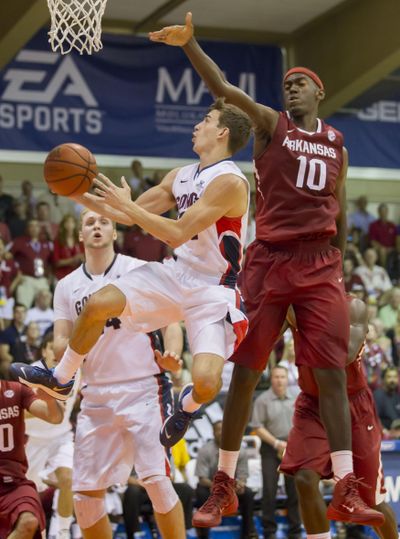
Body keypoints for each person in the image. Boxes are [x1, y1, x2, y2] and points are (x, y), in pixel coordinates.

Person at [148, 12, 384, 527]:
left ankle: (347, 487)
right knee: (247, 371)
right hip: (271, 260)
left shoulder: (337, 143)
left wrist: (339, 269)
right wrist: (191, 45)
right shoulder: (268, 123)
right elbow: (222, 87)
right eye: (287, 84)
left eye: (300, 84)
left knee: (331, 373)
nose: (291, 89)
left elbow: (339, 208)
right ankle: (224, 485)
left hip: (321, 263)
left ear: (318, 95)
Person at [13, 100, 252, 450]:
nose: (198, 125)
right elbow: (127, 215)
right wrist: (74, 191)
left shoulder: (230, 181)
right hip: (176, 274)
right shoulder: (180, 176)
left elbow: (176, 232)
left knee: (205, 382)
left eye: (206, 119)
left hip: (213, 289)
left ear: (222, 132)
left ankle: (186, 406)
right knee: (98, 303)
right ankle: (61, 378)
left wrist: (129, 208)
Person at [12, 209, 188, 539]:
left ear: (114, 232)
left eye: (103, 222)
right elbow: (62, 341)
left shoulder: (137, 269)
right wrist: (86, 328)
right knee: (85, 497)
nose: (96, 226)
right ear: (79, 235)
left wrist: (173, 353)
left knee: (156, 480)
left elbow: (171, 322)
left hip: (145, 387)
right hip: (94, 393)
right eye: (89, 222)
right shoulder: (66, 286)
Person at [280, 296, 399, 539]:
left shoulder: (352, 306)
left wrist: (302, 319)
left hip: (352, 404)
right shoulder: (292, 304)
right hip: (312, 403)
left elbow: (344, 355)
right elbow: (262, 336)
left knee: (371, 501)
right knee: (304, 479)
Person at [25, 332, 80, 539]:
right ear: (44, 351)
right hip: (33, 439)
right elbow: (18, 411)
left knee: (68, 479)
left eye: (62, 350)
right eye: (52, 348)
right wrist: (47, 408)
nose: (58, 353)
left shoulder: (76, 371)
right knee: (29, 494)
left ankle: (63, 531)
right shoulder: (29, 374)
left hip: (62, 436)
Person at [0, 376, 64, 539]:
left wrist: (49, 399)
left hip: (14, 482)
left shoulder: (16, 390)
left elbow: (55, 417)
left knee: (29, 521)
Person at [250, 365, 301, 539]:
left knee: (294, 490)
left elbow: (303, 422)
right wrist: (277, 443)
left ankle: (295, 530)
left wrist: (291, 443)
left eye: (282, 377)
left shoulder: (296, 397)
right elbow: (257, 427)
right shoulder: (262, 400)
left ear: (288, 379)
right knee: (269, 490)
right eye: (276, 377)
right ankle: (269, 531)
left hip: (293, 448)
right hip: (271, 448)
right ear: (271, 379)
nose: (279, 380)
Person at [194, 420, 257, 539]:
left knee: (248, 494)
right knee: (201, 493)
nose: (222, 432)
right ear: (213, 433)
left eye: (224, 429)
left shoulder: (240, 450)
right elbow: (202, 478)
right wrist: (219, 487)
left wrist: (240, 484)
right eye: (218, 429)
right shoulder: (205, 450)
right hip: (210, 487)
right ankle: (203, 535)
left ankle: (248, 533)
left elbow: (243, 475)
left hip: (231, 487)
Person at [373, 366, 400, 434]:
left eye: (395, 377)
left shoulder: (397, 396)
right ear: (383, 379)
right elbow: (374, 420)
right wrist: (386, 432)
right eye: (389, 377)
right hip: (384, 436)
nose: (392, 380)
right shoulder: (378, 395)